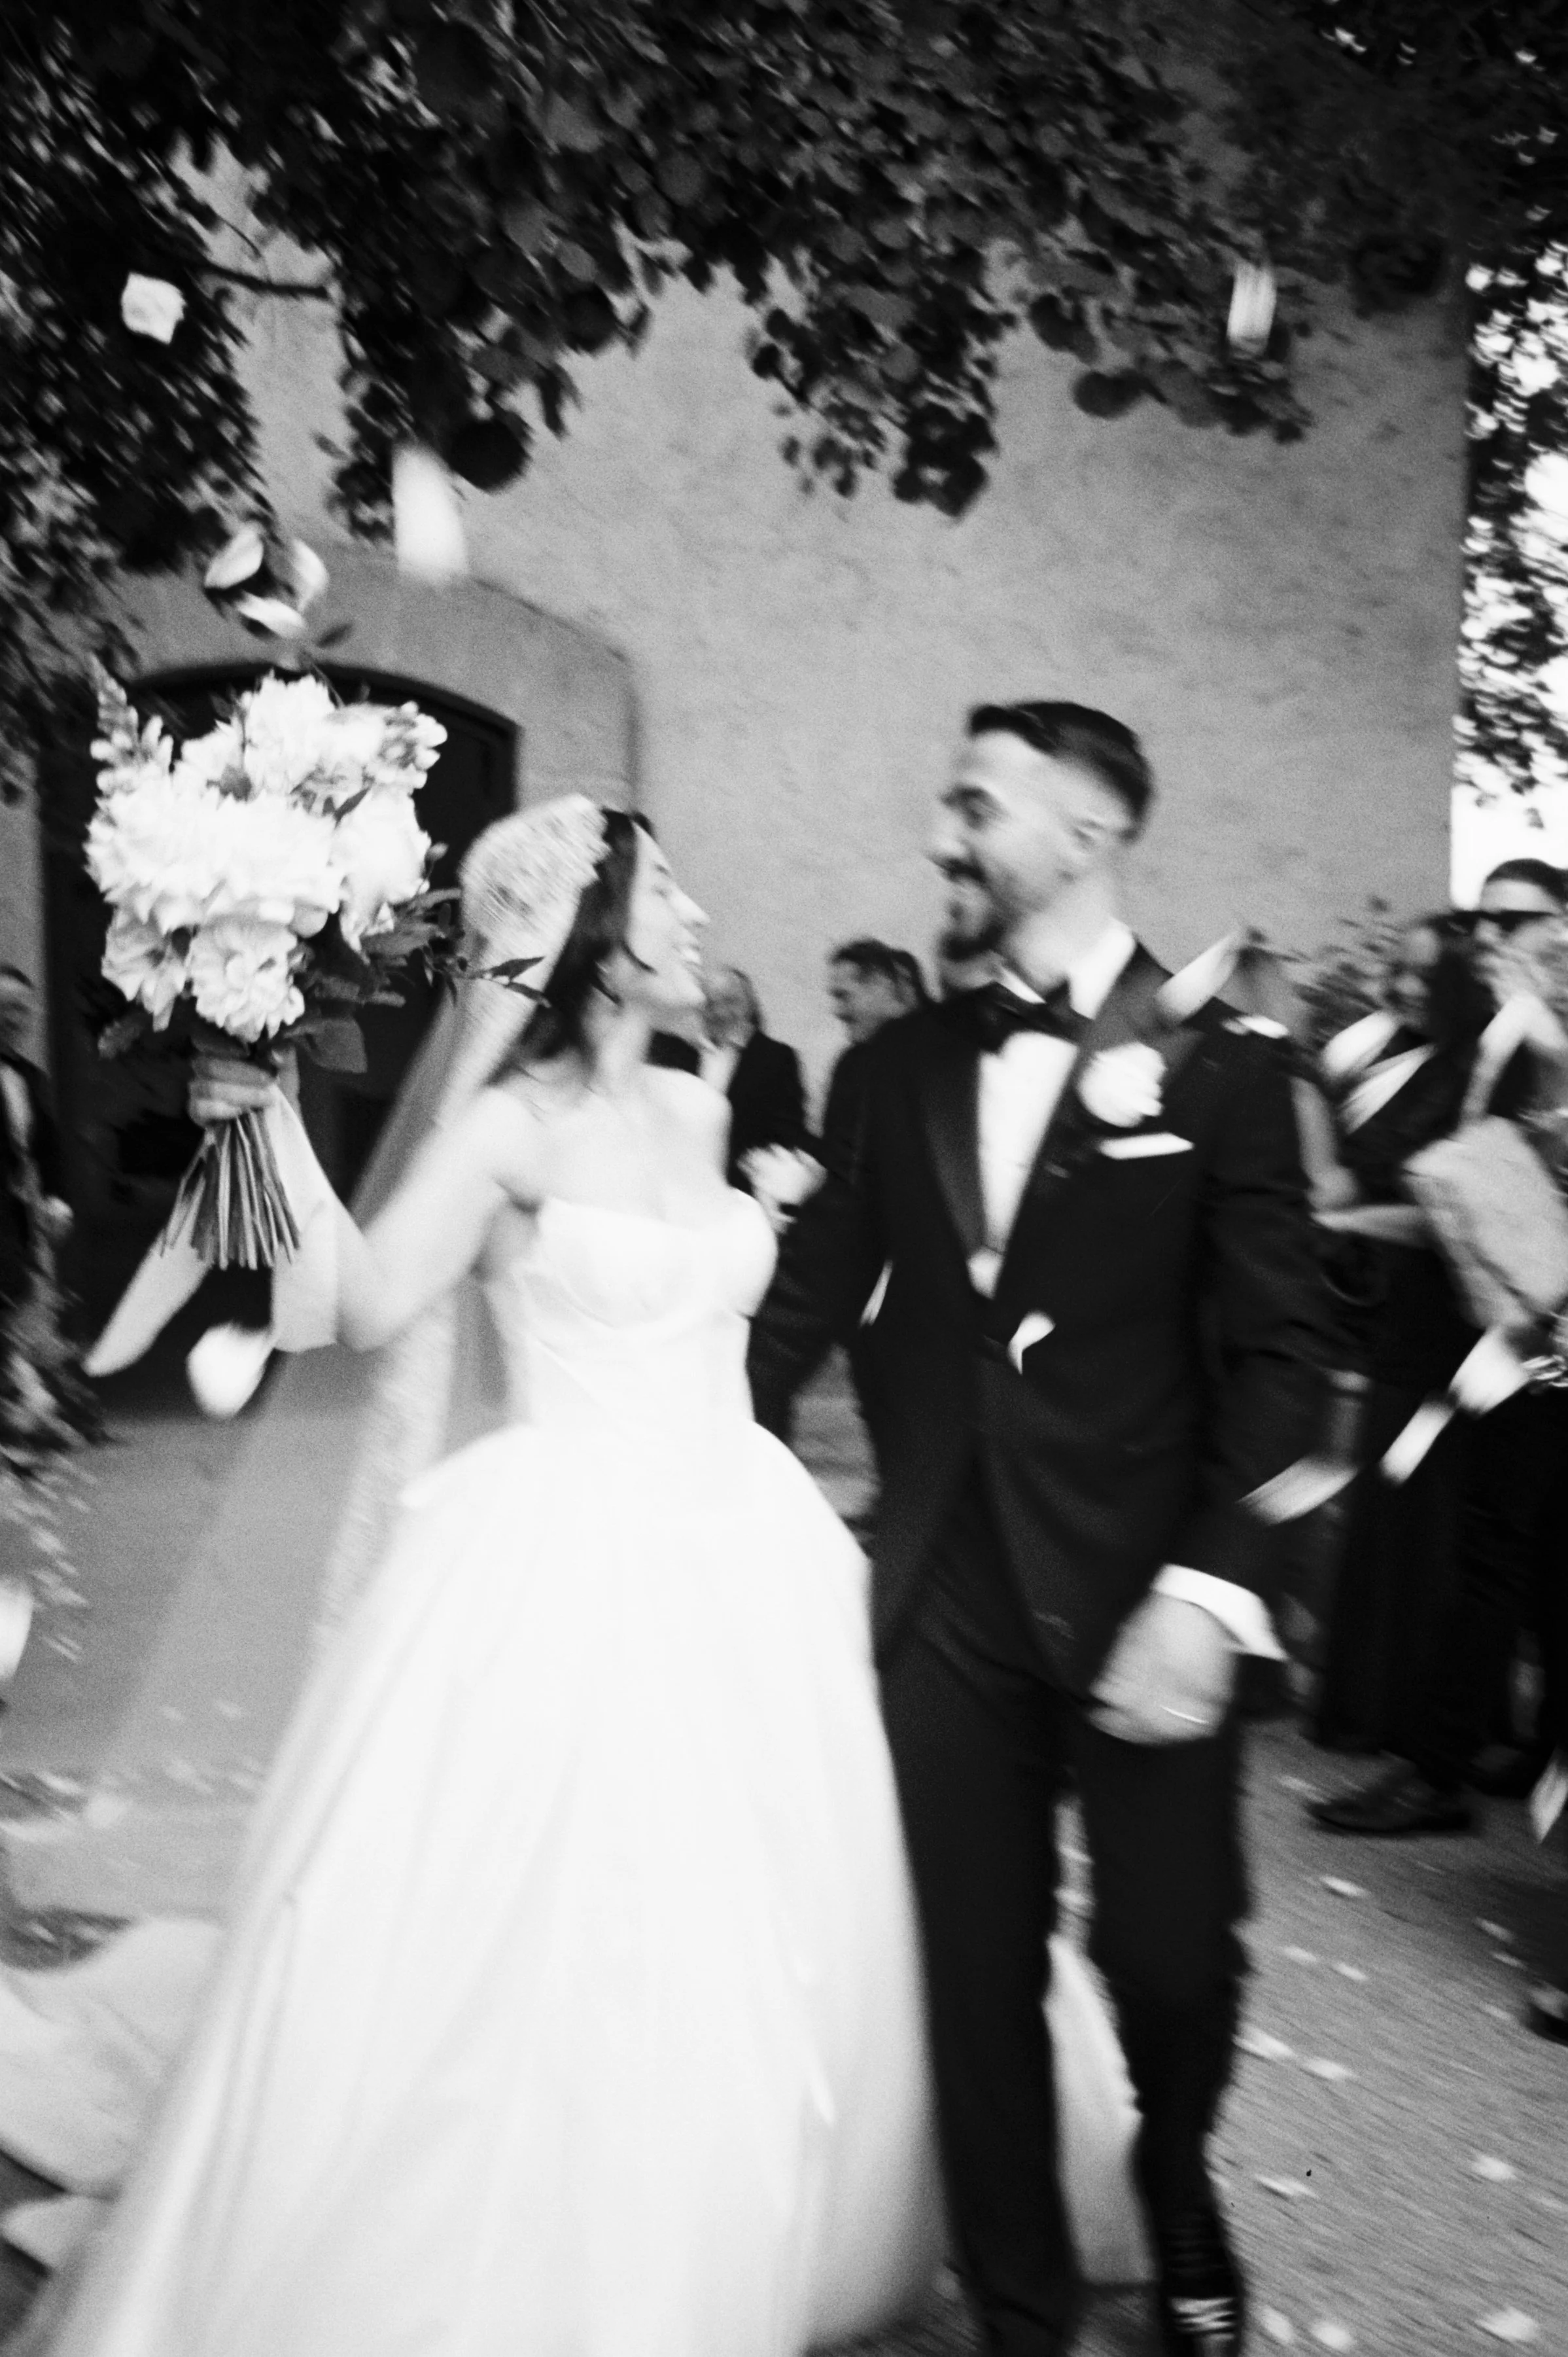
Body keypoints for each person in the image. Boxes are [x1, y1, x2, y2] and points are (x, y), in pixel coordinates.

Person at [0, 799, 1144, 2357]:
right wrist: (263, 1122)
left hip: (749, 1535)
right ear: (592, 934)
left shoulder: (692, 1105)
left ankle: (790, 2215)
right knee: (578, 1921)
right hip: (567, 1552)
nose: (692, 914)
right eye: (664, 890)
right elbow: (364, 1298)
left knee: (808, 1902)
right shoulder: (503, 1129)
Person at [748, 703, 1331, 2357]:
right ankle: (1022, 2308)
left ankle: (1173, 2168)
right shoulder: (887, 1067)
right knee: (971, 1973)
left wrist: (1213, 1591)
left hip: (1145, 1582)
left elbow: (1286, 1355)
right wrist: (661, 1461)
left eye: (973, 803)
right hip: (939, 1590)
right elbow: (791, 1316)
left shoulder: (1223, 1063)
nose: (942, 832)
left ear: (1084, 832)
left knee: (1169, 1957)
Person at [1309, 859, 1568, 1835]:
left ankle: (1436, 1770)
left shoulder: (1543, 1035)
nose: (1488, 935)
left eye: (1513, 918)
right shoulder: (1514, 1039)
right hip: (1533, 1334)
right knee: (1529, 1549)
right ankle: (1516, 1750)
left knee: (1500, 1551)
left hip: (1547, 1338)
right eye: (1480, 918)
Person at [1308, 915, 1491, 1756]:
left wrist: (1337, 1220)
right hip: (1395, 1316)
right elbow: (1347, 1165)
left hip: (1453, 1325)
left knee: (1422, 1519)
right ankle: (1374, 1713)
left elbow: (1447, 1215)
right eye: (1401, 971)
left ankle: (1419, 1728)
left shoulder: (1478, 1075)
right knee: (1386, 1511)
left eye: (1426, 976)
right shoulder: (1400, 1059)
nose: (1406, 988)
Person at [0, 965, 91, 1456]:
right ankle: (31, 1410)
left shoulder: (31, 1078)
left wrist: (56, 1201)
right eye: (5, 1008)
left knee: (20, 1305)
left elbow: (48, 1149)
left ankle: (31, 1411)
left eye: (22, 1008)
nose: (15, 1018)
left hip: (16, 1220)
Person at [659, 964, 809, 1188]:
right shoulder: (681, 1054)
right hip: (679, 1185)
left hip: (741, 1190)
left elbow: (786, 1135)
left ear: (749, 1006)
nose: (719, 1012)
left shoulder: (777, 1059)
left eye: (730, 1001)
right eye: (710, 1003)